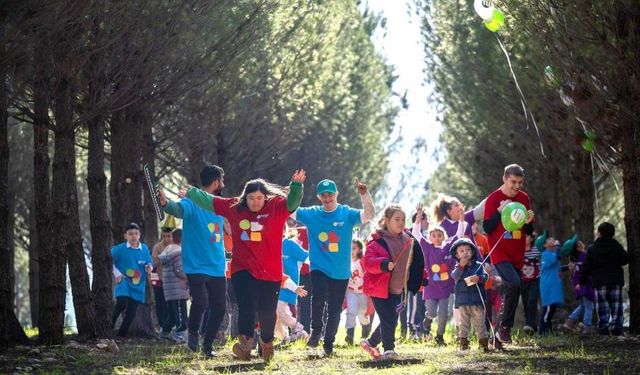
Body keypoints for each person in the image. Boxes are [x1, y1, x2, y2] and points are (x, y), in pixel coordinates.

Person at [180, 170, 306, 362]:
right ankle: (245, 344)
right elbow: (210, 202)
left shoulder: (277, 207)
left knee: (267, 311)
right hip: (243, 269)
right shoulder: (234, 207)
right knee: (247, 307)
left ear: (266, 198)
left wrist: (296, 186)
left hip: (270, 271)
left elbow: (292, 203)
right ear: (244, 198)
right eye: (251, 198)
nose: (255, 202)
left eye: (259, 198)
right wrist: (191, 192)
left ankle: (266, 344)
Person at [293, 178, 375, 356]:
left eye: (330, 193)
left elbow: (369, 215)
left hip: (340, 271)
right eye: (323, 194)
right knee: (319, 297)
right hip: (319, 267)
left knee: (335, 308)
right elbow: (289, 212)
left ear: (336, 194)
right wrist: (294, 190)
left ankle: (329, 341)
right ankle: (315, 332)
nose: (327, 197)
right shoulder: (312, 214)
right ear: (318, 197)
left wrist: (364, 195)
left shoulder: (346, 213)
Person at [158, 164, 227, 358]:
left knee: (220, 307)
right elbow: (178, 209)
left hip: (217, 265)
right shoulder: (192, 202)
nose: (223, 183)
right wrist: (165, 204)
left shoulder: (219, 203)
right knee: (201, 302)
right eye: (221, 180)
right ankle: (193, 331)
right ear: (215, 182)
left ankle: (207, 345)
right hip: (196, 265)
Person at [360, 204, 425, 361]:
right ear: (386, 220)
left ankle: (370, 342)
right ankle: (389, 349)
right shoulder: (377, 240)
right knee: (389, 319)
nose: (401, 223)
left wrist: (421, 279)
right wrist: (383, 264)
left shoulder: (408, 239)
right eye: (397, 219)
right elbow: (367, 262)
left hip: (399, 289)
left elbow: (416, 262)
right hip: (379, 288)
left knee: (391, 319)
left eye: (403, 219)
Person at [482, 164, 534, 344]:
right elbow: (487, 228)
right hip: (499, 252)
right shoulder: (494, 198)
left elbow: (528, 230)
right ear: (504, 178)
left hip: (517, 254)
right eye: (513, 182)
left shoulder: (524, 198)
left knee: (513, 289)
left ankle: (496, 336)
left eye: (520, 182)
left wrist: (528, 222)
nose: (517, 186)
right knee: (514, 283)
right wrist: (499, 211)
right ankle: (505, 328)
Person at [413, 203, 466, 346]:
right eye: (434, 235)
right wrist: (418, 217)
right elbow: (416, 234)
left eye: (439, 235)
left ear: (443, 237)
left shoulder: (449, 248)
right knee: (432, 312)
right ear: (430, 237)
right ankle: (428, 319)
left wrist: (461, 219)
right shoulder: (427, 247)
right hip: (430, 287)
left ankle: (439, 337)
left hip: (445, 288)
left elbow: (459, 235)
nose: (436, 238)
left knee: (444, 315)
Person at [578, 222, 629, 336]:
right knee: (616, 305)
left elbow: (587, 266)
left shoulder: (592, 248)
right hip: (615, 281)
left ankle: (604, 328)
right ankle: (616, 328)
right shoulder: (616, 246)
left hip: (600, 282)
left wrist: (582, 281)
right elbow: (625, 260)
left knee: (602, 306)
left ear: (600, 233)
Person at [111, 223, 153, 337]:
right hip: (123, 280)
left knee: (132, 311)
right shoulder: (119, 249)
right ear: (125, 236)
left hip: (139, 283)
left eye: (136, 234)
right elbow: (109, 260)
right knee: (121, 302)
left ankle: (121, 335)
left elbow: (149, 261)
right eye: (130, 234)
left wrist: (149, 267)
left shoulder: (144, 248)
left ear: (139, 235)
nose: (133, 236)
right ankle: (109, 327)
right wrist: (117, 273)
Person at [450, 238, 490, 351]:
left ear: (472, 252)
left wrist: (478, 278)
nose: (465, 252)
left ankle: (483, 343)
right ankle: (463, 342)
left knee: (480, 322)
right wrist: (461, 266)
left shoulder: (478, 265)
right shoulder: (457, 267)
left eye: (468, 250)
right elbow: (455, 276)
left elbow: (485, 276)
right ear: (457, 255)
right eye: (462, 251)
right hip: (463, 301)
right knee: (464, 323)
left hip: (477, 300)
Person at [275, 229, 310, 342]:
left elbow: (307, 257)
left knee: (279, 309)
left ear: (283, 229)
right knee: (274, 314)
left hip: (289, 286)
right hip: (273, 284)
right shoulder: (270, 244)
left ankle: (296, 326)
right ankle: (285, 337)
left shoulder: (290, 244)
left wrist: (323, 264)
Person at [158, 229, 189, 343]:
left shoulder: (168, 250)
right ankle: (179, 335)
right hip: (178, 289)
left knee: (172, 315)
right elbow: (180, 271)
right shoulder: (179, 252)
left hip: (169, 289)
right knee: (181, 316)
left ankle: (164, 332)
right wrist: (189, 277)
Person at [563, 237, 596, 334]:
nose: (581, 242)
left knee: (584, 305)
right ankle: (587, 326)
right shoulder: (584, 256)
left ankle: (569, 322)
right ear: (577, 248)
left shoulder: (578, 258)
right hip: (585, 285)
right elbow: (587, 271)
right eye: (578, 242)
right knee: (589, 306)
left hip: (581, 285)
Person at [344, 239, 370, 345]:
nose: (351, 251)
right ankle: (350, 334)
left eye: (354, 248)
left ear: (359, 250)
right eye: (350, 248)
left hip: (363, 291)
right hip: (351, 291)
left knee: (362, 312)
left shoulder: (361, 261)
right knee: (351, 311)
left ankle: (365, 326)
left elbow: (368, 273)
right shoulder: (345, 262)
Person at [538, 232, 564, 335]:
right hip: (548, 285)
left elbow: (555, 267)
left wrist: (567, 267)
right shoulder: (546, 254)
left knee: (551, 308)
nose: (552, 239)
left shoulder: (550, 255)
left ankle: (548, 330)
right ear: (544, 245)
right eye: (548, 239)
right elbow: (558, 256)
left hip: (552, 284)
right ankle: (543, 330)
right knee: (548, 308)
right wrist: (558, 245)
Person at [151, 225, 173, 332]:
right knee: (160, 303)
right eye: (164, 236)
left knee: (170, 304)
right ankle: (161, 325)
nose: (166, 239)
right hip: (159, 279)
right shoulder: (157, 247)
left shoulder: (176, 246)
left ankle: (169, 326)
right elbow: (154, 261)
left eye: (169, 236)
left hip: (172, 281)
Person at [520, 232, 541, 334]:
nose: (524, 238)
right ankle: (532, 325)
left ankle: (529, 324)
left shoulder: (537, 250)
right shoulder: (518, 250)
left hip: (535, 280)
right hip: (523, 281)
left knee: (532, 300)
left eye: (526, 236)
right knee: (526, 303)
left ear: (532, 239)